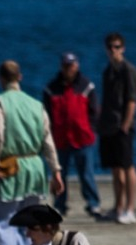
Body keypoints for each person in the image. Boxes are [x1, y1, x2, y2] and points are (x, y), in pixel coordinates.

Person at [0, 60, 63, 245]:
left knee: (6, 225)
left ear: (1, 78)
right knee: (35, 224)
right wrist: (56, 170)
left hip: (11, 167)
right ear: (20, 76)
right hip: (35, 167)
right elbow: (48, 140)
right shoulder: (36, 104)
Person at [43, 52, 103, 220]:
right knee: (59, 174)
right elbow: (46, 114)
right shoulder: (51, 88)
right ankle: (59, 205)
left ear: (77, 66)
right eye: (65, 66)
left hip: (83, 138)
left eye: (71, 65)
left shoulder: (86, 85)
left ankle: (93, 204)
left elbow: (94, 111)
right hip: (60, 139)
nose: (68, 69)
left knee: (87, 173)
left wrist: (91, 129)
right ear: (61, 67)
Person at [97, 32, 136, 225]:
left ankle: (130, 209)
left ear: (122, 48)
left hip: (122, 126)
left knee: (127, 166)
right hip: (108, 125)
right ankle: (118, 207)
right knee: (115, 168)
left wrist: (126, 123)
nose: (113, 51)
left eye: (116, 47)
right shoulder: (108, 71)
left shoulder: (128, 70)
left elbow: (132, 99)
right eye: (110, 47)